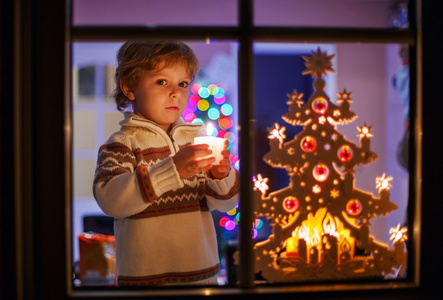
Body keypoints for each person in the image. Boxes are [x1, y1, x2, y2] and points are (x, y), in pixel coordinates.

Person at [93, 40, 240, 286]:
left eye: (183, 84)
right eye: (162, 82)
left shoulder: (195, 140)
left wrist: (221, 176)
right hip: (146, 283)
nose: (176, 92)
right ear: (129, 87)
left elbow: (226, 205)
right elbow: (110, 202)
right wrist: (173, 169)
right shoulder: (122, 143)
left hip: (202, 278)